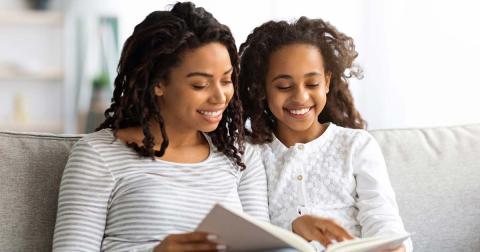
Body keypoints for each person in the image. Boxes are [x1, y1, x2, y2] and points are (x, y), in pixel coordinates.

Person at [52, 2, 269, 251]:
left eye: (227, 80)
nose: (220, 96)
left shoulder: (241, 156)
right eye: (200, 84)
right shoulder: (98, 155)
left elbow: (263, 246)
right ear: (158, 83)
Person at [239, 17, 412, 252]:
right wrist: (295, 227)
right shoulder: (253, 153)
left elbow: (382, 220)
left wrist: (393, 246)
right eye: (284, 86)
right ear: (262, 87)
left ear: (327, 82)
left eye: (312, 84)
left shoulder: (356, 145)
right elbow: (253, 236)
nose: (300, 97)